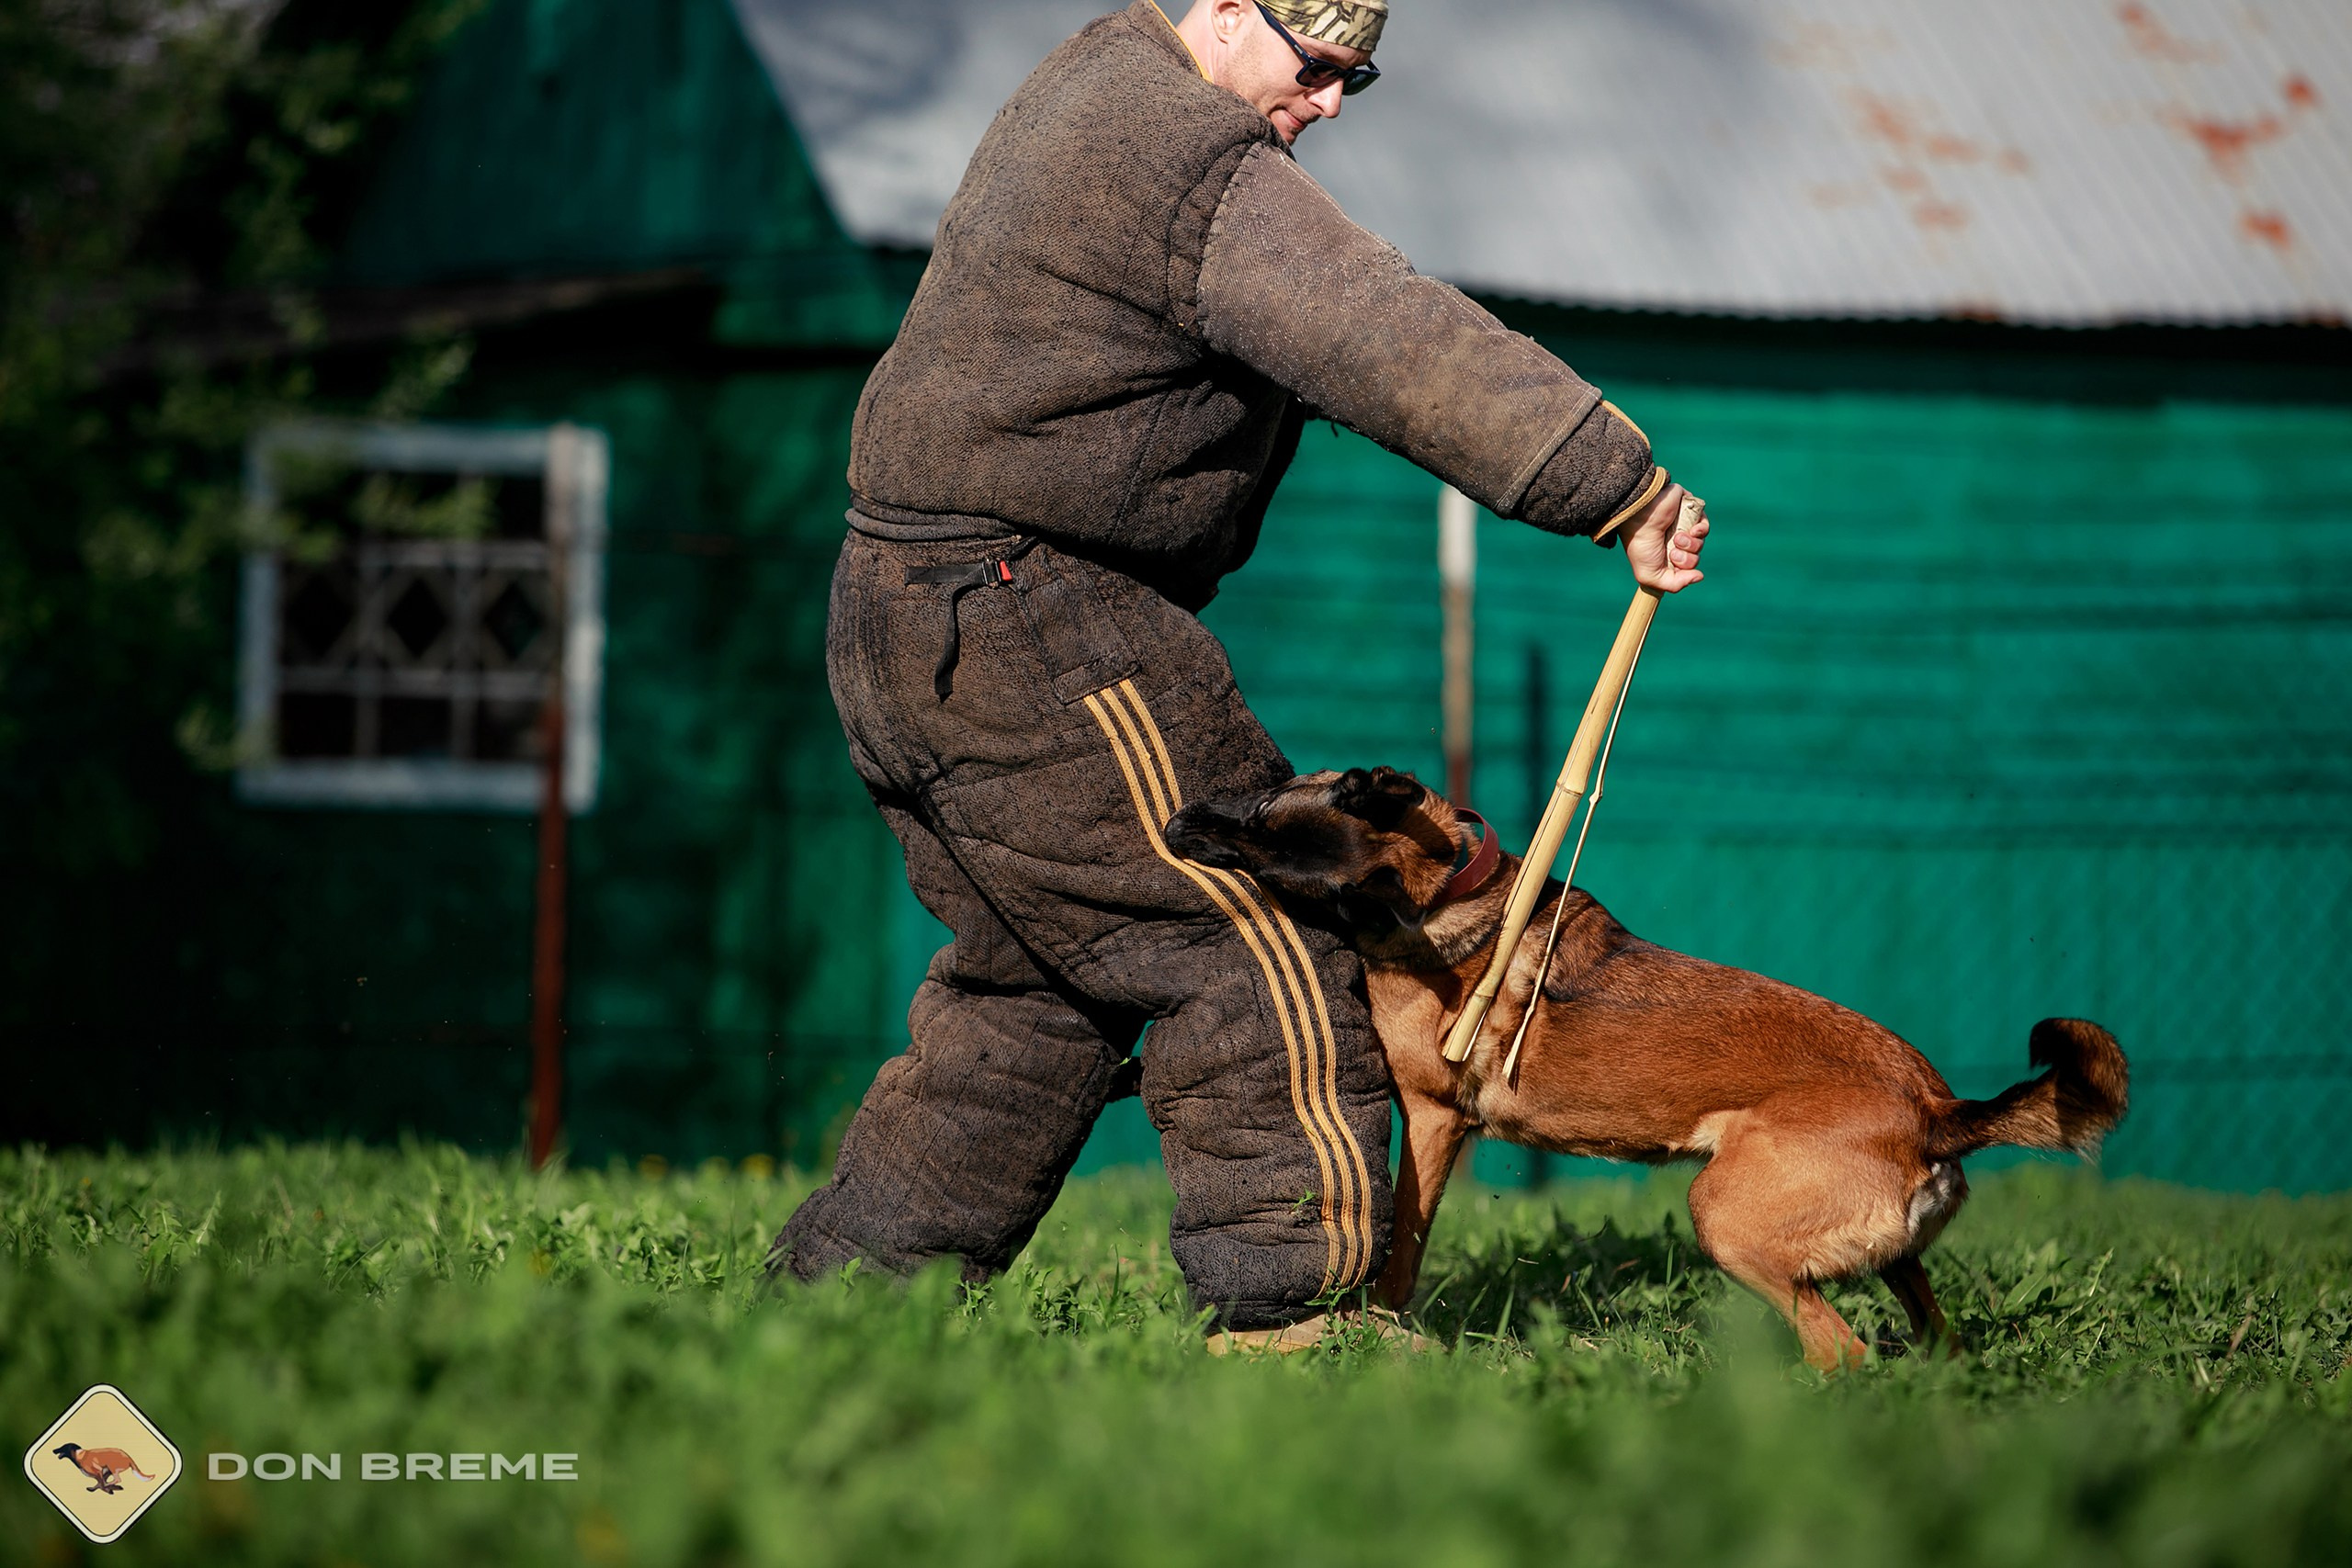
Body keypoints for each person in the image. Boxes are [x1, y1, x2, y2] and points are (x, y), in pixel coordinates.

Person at [768, 0, 1710, 1342]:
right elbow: (1374, 328)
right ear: (1221, 10)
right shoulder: (1177, 150)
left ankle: (836, 1319)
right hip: (1035, 605)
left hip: (913, 607)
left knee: (1038, 995)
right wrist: (1609, 481)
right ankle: (1296, 1321)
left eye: (1355, 83)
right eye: (1315, 66)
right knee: (1256, 918)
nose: (1328, 102)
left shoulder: (1091, 93)